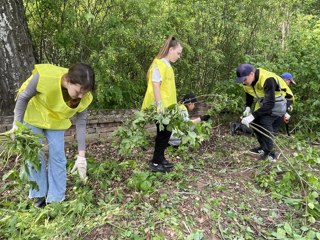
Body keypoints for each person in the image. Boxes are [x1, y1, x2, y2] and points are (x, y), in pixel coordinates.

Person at [12, 63, 95, 207]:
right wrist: (16, 125)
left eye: (85, 92)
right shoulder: (45, 77)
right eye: (78, 91)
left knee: (58, 156)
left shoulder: (84, 97)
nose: (81, 96)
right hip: (34, 114)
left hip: (56, 119)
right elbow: (23, 97)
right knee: (34, 155)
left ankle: (55, 199)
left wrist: (81, 157)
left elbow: (81, 124)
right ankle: (39, 195)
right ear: (69, 81)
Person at [236, 64, 294, 161]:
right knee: (254, 122)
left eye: (244, 79)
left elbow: (270, 104)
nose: (243, 82)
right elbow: (249, 94)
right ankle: (263, 148)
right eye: (241, 80)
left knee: (264, 122)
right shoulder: (247, 82)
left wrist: (252, 116)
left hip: (280, 102)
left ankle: (271, 154)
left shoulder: (267, 79)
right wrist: (248, 107)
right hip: (266, 102)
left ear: (251, 74)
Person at [141, 36, 182, 173]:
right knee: (162, 133)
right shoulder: (159, 64)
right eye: (178, 53)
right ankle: (156, 162)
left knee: (167, 132)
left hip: (168, 108)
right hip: (160, 107)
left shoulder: (168, 66)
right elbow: (155, 85)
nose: (179, 56)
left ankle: (160, 158)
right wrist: (159, 105)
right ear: (170, 50)